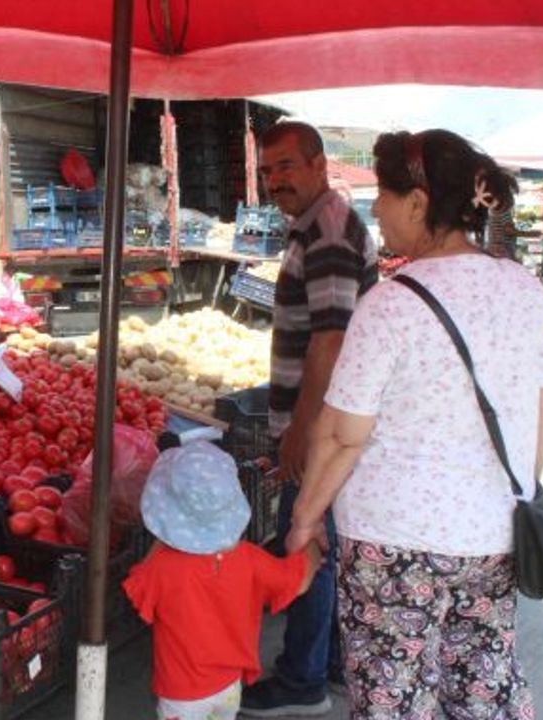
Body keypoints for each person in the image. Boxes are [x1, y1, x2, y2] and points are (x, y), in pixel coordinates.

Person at [288, 129, 543, 719]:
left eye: (385, 196)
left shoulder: (390, 304)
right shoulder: (525, 290)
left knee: (395, 700)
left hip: (393, 546)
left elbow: (340, 434)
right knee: (483, 687)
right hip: (492, 536)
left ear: (417, 202)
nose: (378, 212)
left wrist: (305, 518)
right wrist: (514, 492)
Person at [245, 121, 377, 717]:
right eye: (267, 170)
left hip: (322, 426)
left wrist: (301, 429)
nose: (275, 180)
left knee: (308, 545)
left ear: (321, 165)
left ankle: (302, 681)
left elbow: (331, 339)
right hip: (327, 422)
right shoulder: (318, 225)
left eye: (287, 166)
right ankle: (331, 662)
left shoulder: (328, 231)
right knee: (328, 544)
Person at [124, 442, 321, 720]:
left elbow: (136, 590)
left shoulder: (161, 567)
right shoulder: (250, 559)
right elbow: (299, 581)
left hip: (181, 695)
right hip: (229, 686)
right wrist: (312, 543)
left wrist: (165, 535)